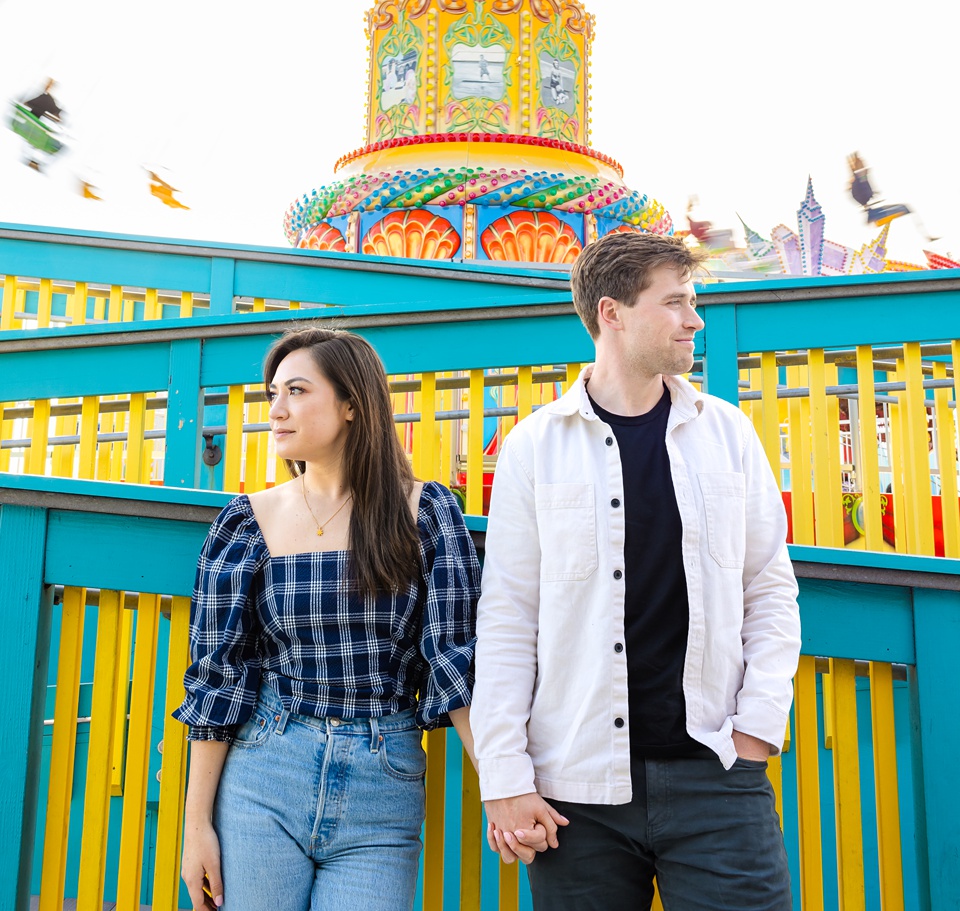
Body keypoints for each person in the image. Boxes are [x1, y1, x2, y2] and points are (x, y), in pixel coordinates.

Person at [472, 231, 801, 909]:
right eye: (676, 301)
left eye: (694, 300)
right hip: (575, 792)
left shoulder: (729, 433)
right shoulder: (534, 446)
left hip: (717, 771)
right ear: (612, 313)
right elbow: (508, 618)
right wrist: (504, 774)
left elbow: (769, 586)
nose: (694, 318)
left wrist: (758, 725)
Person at [174, 327, 510, 911]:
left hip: (384, 779)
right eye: (273, 393)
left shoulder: (425, 511)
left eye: (297, 391)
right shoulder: (247, 521)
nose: (275, 411)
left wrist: (503, 788)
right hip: (263, 771)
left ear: (352, 403)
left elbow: (454, 663)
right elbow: (218, 679)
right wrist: (195, 823)